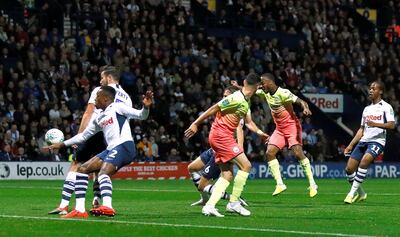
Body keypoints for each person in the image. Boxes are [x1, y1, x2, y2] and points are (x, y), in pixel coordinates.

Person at [45, 86, 153, 218]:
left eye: (97, 96)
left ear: (106, 98)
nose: (95, 99)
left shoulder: (118, 107)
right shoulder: (98, 117)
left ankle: (108, 206)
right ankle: (80, 210)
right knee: (82, 169)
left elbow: (141, 115)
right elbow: (83, 136)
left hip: (124, 146)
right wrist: (61, 144)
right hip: (111, 149)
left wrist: (146, 107)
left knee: (103, 173)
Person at [48, 66, 133, 215]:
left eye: (102, 77)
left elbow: (88, 113)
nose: (100, 81)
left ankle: (64, 205)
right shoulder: (127, 97)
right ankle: (97, 200)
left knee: (77, 164)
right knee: (100, 168)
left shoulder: (100, 91)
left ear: (108, 78)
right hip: (111, 136)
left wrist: (79, 136)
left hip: (94, 130)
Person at [185, 73, 268, 217]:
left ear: (244, 82)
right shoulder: (235, 98)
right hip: (221, 137)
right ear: (257, 86)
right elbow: (213, 108)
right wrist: (195, 124)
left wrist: (261, 133)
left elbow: (249, 123)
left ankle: (209, 206)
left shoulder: (245, 101)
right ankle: (233, 202)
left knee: (228, 174)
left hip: (223, 137)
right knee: (246, 165)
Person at [188, 86, 254, 207]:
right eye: (223, 96)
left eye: (226, 96)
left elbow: (239, 131)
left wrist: (239, 152)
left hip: (223, 149)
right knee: (191, 168)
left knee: (203, 185)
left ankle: (233, 198)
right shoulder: (226, 108)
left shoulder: (235, 110)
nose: (223, 98)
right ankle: (205, 200)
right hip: (214, 147)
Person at [257, 73, 318, 197]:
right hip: (279, 129)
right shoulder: (264, 92)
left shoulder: (283, 93)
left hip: (291, 126)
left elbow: (301, 101)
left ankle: (312, 184)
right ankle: (280, 184)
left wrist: (305, 108)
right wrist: (237, 87)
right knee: (269, 153)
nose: (261, 86)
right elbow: (249, 90)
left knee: (297, 153)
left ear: (269, 82)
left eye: (262, 83)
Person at [343, 81, 395, 204]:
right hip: (364, 141)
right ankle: (361, 193)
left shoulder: (386, 107)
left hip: (377, 141)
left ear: (380, 91)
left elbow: (392, 125)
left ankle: (351, 194)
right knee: (349, 170)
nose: (370, 90)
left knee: (365, 161)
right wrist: (350, 145)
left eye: (373, 88)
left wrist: (375, 124)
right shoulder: (366, 109)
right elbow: (361, 129)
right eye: (370, 88)